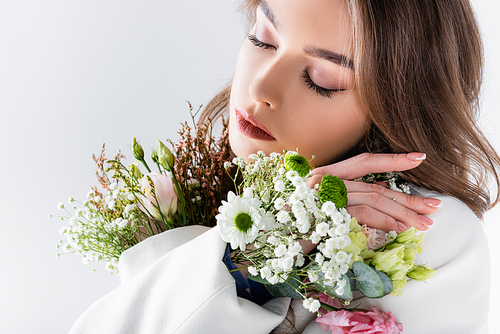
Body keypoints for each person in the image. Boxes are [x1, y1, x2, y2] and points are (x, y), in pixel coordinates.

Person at [69, 0, 499, 333]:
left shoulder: (428, 231)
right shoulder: (205, 194)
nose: (260, 86)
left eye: (321, 79)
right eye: (263, 38)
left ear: (397, 108)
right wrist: (261, 251)